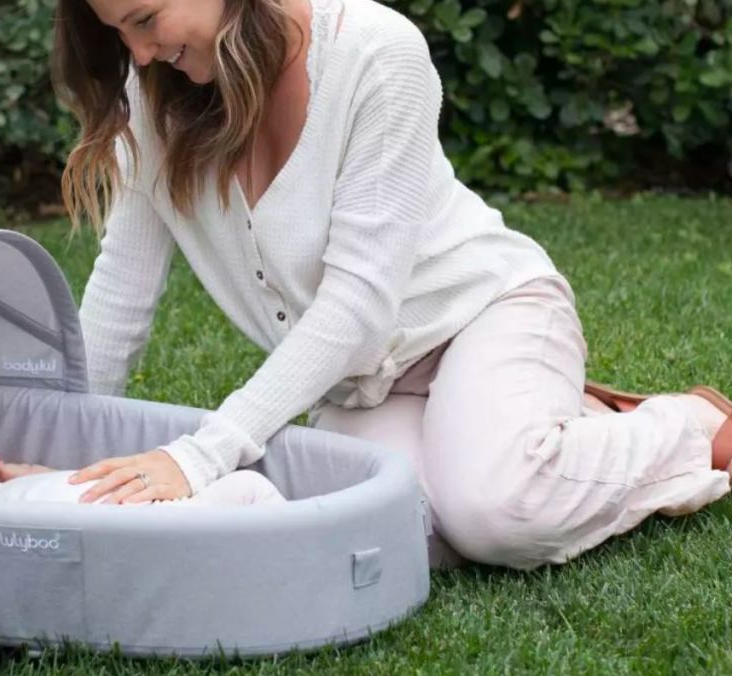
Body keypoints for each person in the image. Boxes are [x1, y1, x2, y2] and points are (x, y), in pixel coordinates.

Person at [51, 0, 731, 568]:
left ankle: (690, 427)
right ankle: (547, 426)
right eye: (118, 34)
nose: (138, 54)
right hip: (360, 379)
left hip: (483, 313)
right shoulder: (153, 100)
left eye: (145, 19)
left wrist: (203, 455)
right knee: (388, 528)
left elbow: (355, 307)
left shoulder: (375, 52)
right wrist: (55, 464)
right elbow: (121, 292)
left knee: (498, 514)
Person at [0, 451, 285, 506]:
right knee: (252, 489)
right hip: (140, 521)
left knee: (240, 489)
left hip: (144, 497)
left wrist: (20, 472)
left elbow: (61, 481)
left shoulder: (3, 492)